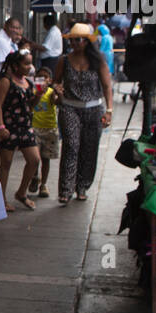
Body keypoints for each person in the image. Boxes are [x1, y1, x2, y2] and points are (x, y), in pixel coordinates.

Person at [53, 22, 115, 205]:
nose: (75, 43)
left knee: (89, 149)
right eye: (72, 40)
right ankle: (66, 189)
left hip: (93, 109)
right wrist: (56, 88)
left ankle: (82, 186)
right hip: (69, 107)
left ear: (87, 42)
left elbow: (106, 86)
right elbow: (55, 81)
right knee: (71, 146)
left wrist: (109, 110)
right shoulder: (64, 60)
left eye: (78, 40)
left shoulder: (99, 60)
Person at [0, 49, 40, 212]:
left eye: (30, 63)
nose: (29, 67)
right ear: (15, 65)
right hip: (9, 127)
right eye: (26, 63)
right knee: (6, 163)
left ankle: (21, 192)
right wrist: (0, 127)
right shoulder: (6, 81)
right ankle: (2, 199)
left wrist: (38, 96)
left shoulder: (28, 82)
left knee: (34, 160)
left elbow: (30, 106)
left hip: (25, 127)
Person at [29, 66, 59, 198]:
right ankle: (35, 177)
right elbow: (31, 105)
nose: (42, 80)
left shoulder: (52, 92)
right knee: (35, 158)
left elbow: (56, 101)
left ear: (50, 80)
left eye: (45, 78)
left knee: (46, 159)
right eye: (39, 77)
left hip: (50, 129)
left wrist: (56, 92)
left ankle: (44, 184)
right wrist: (38, 94)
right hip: (34, 128)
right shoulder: (32, 91)